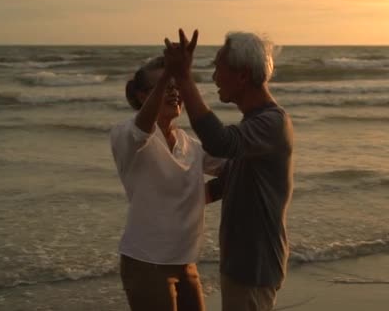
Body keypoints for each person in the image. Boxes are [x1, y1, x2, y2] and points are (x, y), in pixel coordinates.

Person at [163, 30, 294, 311]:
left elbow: (221, 142)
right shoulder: (255, 125)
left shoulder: (272, 123)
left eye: (218, 68)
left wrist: (184, 78)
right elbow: (230, 180)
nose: (214, 78)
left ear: (243, 75)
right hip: (243, 263)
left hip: (253, 266)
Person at [110, 56, 223, 311]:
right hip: (146, 262)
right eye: (162, 85)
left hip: (186, 262)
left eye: (175, 86)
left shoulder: (190, 144)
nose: (173, 92)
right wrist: (168, 75)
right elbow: (141, 130)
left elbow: (233, 169)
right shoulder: (125, 135)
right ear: (141, 96)